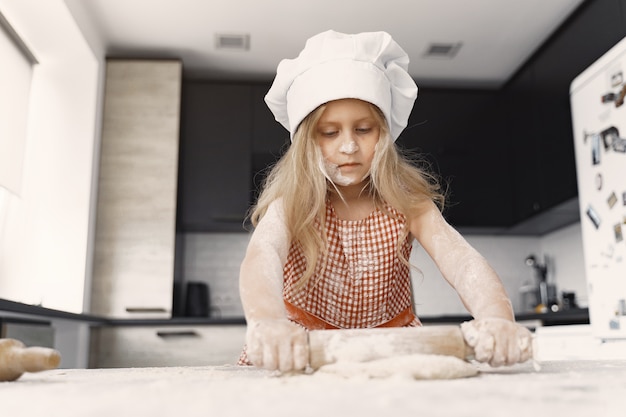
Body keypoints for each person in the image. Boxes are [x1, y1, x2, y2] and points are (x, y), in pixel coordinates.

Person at [238, 30, 532, 372]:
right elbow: (263, 255)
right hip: (303, 350)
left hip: (393, 350)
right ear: (305, 141)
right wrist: (269, 323)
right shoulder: (293, 203)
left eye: (363, 130)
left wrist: (497, 318)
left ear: (385, 134)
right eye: (330, 132)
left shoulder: (408, 200)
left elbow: (461, 260)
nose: (348, 146)